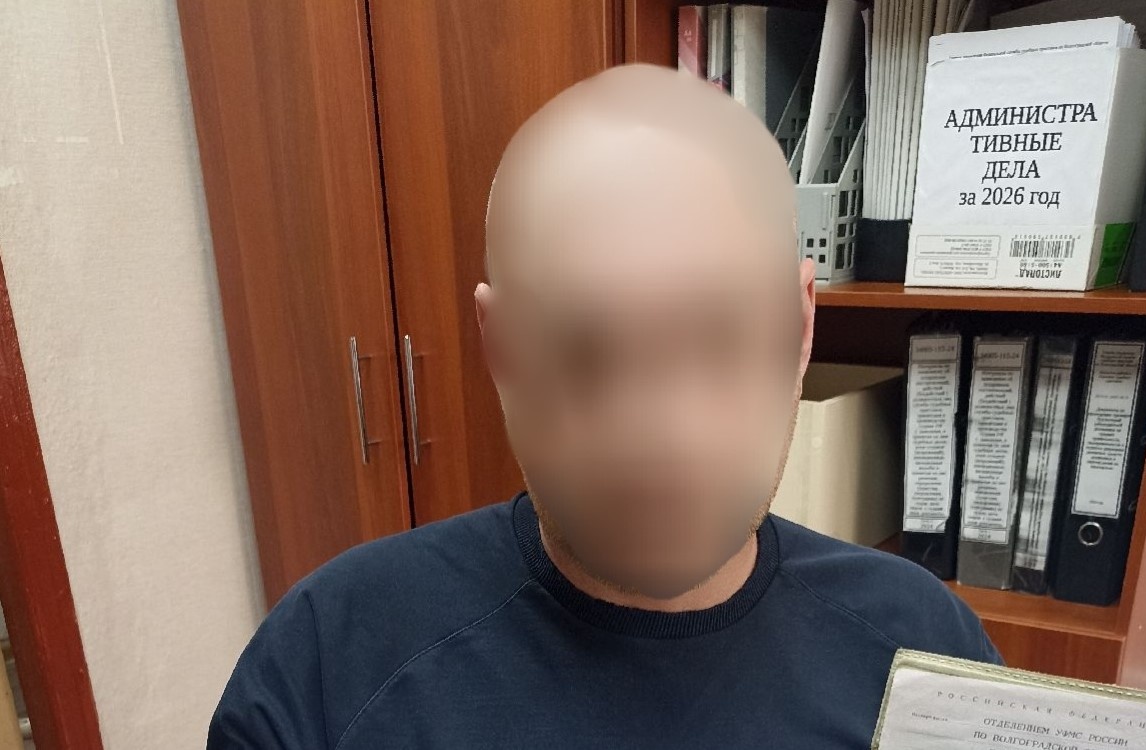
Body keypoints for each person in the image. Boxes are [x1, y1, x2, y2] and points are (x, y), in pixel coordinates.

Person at [208, 63, 1000, 750]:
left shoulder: (923, 651)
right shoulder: (329, 661)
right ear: (502, 349)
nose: (663, 433)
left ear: (796, 331)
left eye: (719, 342)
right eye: (582, 351)